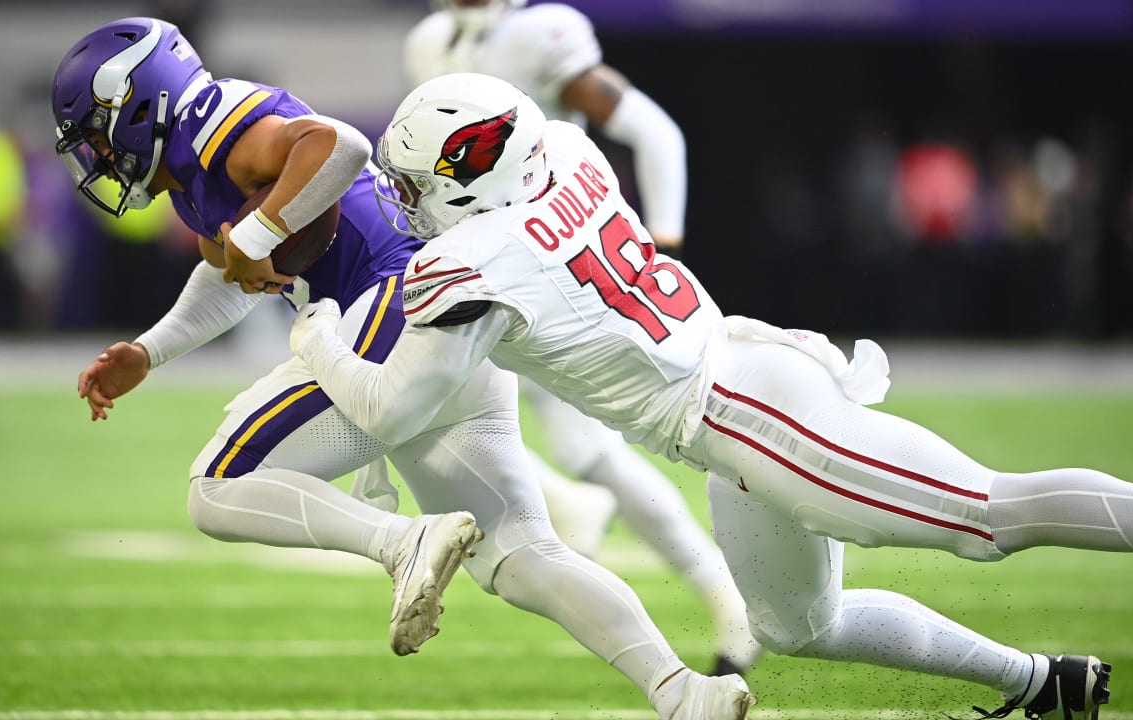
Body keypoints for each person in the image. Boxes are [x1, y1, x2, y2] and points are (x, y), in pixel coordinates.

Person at [289, 72, 1133, 720]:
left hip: (755, 415)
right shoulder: (567, 152)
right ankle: (1043, 683)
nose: (401, 205)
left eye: (412, 186)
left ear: (468, 176)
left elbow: (391, 409)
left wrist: (317, 337)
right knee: (799, 627)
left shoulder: (469, 264)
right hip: (734, 403)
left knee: (986, 519)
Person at [53, 18, 755, 720]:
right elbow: (237, 274)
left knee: (217, 486)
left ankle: (403, 540)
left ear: (139, 102)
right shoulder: (191, 167)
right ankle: (681, 690)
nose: (97, 158)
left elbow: (339, 146)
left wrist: (260, 233)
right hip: (436, 315)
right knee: (520, 556)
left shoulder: (218, 123)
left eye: (95, 134)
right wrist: (151, 350)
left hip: (392, 305)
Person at [402, 0, 761, 676]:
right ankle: (687, 572)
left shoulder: (539, 36)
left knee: (583, 446)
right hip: (478, 276)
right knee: (432, 411)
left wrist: (662, 246)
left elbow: (656, 132)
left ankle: (720, 590)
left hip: (545, 274)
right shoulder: (427, 41)